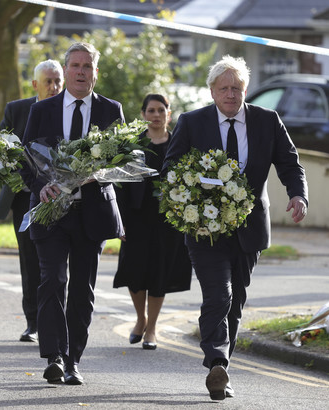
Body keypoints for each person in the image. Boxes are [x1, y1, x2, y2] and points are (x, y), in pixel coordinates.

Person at [162, 55, 308, 400]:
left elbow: (290, 163)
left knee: (236, 300)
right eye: (224, 88)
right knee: (219, 294)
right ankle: (216, 361)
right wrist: (192, 193)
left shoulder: (267, 121)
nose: (231, 94)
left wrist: (298, 195)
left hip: (249, 226)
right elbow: (170, 168)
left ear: (245, 90)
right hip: (203, 227)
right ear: (212, 91)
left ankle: (222, 366)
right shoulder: (192, 122)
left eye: (237, 88)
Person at [20, 42, 125, 385]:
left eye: (87, 66)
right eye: (75, 66)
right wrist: (41, 187)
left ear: (96, 73)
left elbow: (123, 165)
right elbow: (26, 164)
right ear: (65, 72)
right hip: (51, 212)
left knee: (83, 289)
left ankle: (73, 360)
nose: (81, 72)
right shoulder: (43, 110)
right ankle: (53, 356)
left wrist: (101, 173)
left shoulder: (111, 111)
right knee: (52, 281)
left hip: (91, 213)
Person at [113, 94, 192, 350]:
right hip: (136, 217)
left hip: (167, 219)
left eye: (161, 110)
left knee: (159, 272)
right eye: (151, 110)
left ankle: (152, 329)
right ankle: (140, 319)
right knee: (134, 272)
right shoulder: (133, 145)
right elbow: (120, 185)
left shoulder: (179, 144)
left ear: (169, 113)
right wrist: (119, 221)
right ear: (143, 114)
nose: (156, 115)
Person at [0, 59, 64, 343]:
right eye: (48, 81)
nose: (54, 86)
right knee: (30, 261)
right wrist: (23, 182)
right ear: (35, 84)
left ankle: (59, 320)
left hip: (64, 197)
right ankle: (33, 321)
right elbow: (1, 150)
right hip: (25, 198)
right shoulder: (18, 109)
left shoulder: (71, 110)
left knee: (59, 264)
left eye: (57, 80)